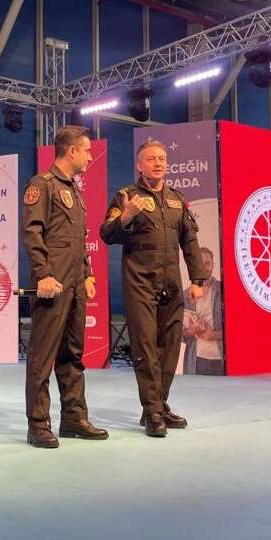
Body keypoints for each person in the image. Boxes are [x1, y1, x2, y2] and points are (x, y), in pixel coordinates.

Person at [99, 140, 207, 438]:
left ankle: (159, 404)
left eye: (162, 158)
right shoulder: (126, 196)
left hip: (171, 282)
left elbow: (190, 241)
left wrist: (197, 280)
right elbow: (106, 234)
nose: (158, 163)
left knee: (170, 347)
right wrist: (126, 215)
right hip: (140, 282)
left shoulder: (176, 199)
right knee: (146, 347)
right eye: (151, 159)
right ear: (139, 165)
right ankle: (152, 412)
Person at [21, 125, 108, 448]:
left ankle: (73, 418)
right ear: (71, 151)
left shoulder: (75, 191)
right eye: (86, 150)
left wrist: (87, 274)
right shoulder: (42, 185)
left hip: (74, 285)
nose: (90, 157)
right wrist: (42, 274)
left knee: (72, 354)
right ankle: (38, 424)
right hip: (52, 283)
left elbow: (78, 241)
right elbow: (32, 233)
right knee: (42, 356)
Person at [183, 247, 224, 376]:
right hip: (196, 361)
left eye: (208, 263)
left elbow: (239, 327)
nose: (204, 267)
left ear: (213, 265)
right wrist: (190, 331)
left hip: (221, 359)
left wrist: (214, 335)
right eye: (200, 263)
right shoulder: (186, 296)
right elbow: (179, 336)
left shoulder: (224, 290)